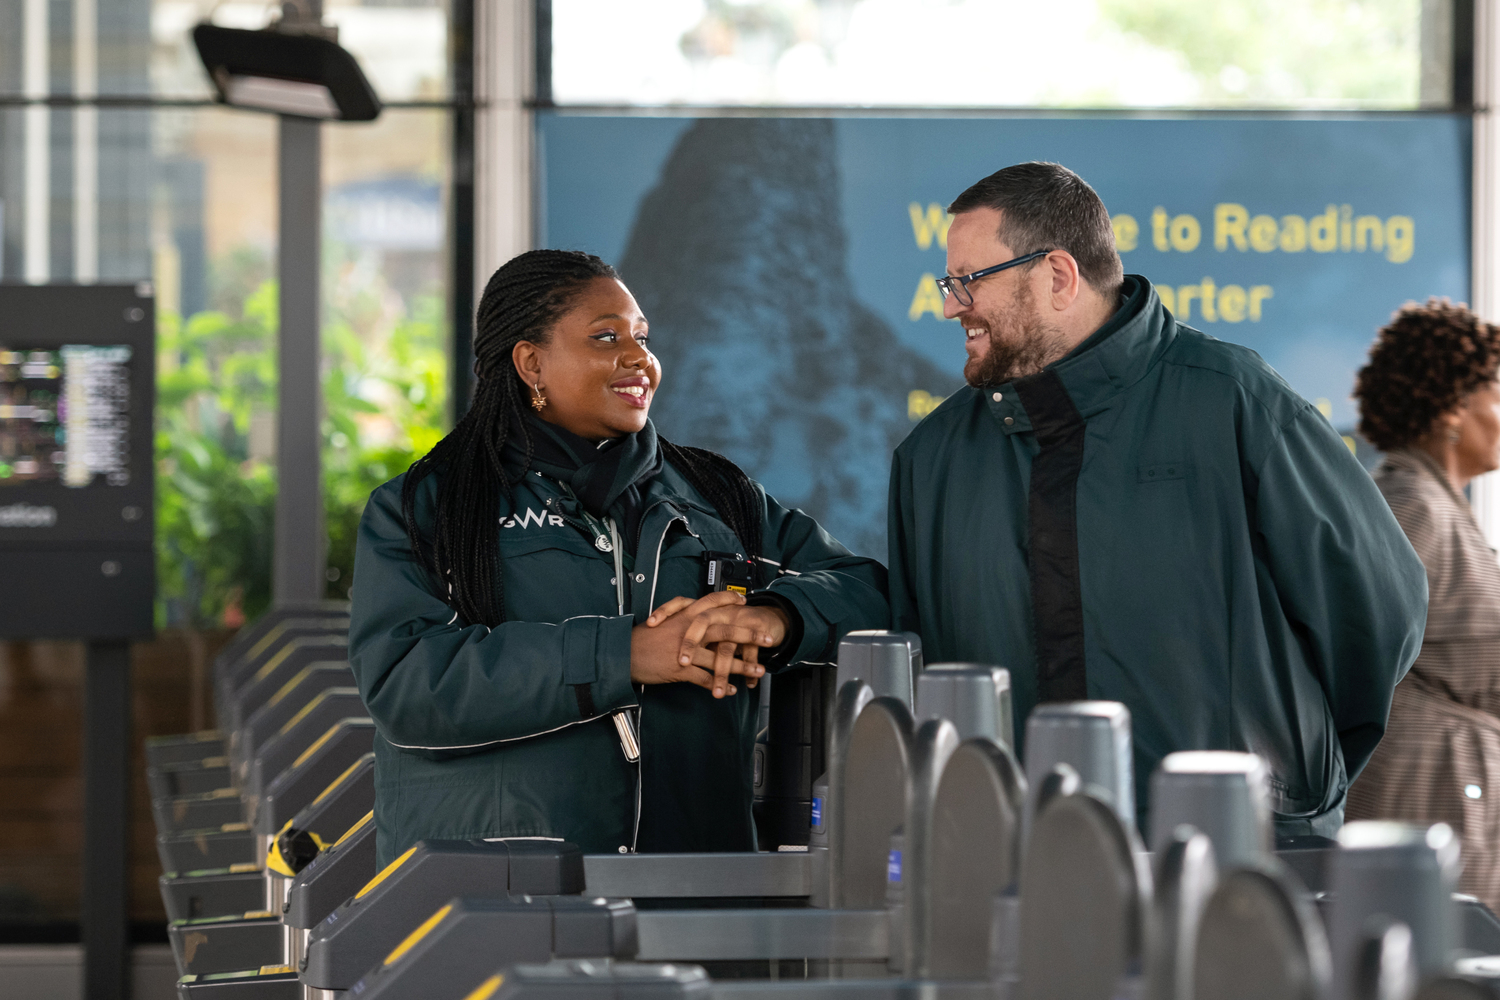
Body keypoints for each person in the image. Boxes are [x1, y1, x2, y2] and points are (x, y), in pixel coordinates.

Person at [886, 161, 1427, 836]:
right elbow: (921, 665)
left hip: (1245, 855)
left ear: (1057, 276)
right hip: (1024, 867)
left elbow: (1378, 608)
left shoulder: (1231, 399)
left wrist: (1294, 775)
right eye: (948, 282)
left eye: (968, 281)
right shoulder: (933, 460)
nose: (949, 305)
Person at [350, 249, 887, 864]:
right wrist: (625, 654)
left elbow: (867, 589)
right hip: (501, 900)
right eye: (606, 338)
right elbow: (407, 682)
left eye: (643, 338)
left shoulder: (716, 495)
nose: (640, 359)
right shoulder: (429, 507)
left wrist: (775, 617)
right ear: (531, 363)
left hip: (698, 890)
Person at [1347, 300, 1500, 909]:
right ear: (1454, 408)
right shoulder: (1410, 501)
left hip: (1449, 794)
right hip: (1422, 796)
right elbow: (1356, 644)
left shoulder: (1444, 504)